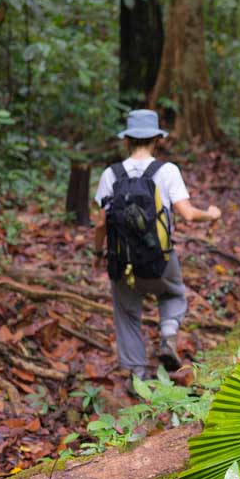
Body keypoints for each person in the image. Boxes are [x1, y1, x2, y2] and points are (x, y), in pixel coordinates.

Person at [92, 109, 221, 383]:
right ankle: (167, 333)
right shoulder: (167, 171)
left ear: (127, 140)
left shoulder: (110, 174)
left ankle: (136, 375)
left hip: (122, 261)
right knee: (174, 295)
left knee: (127, 313)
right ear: (156, 140)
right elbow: (187, 214)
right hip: (160, 261)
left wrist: (96, 253)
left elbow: (101, 223)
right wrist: (211, 213)